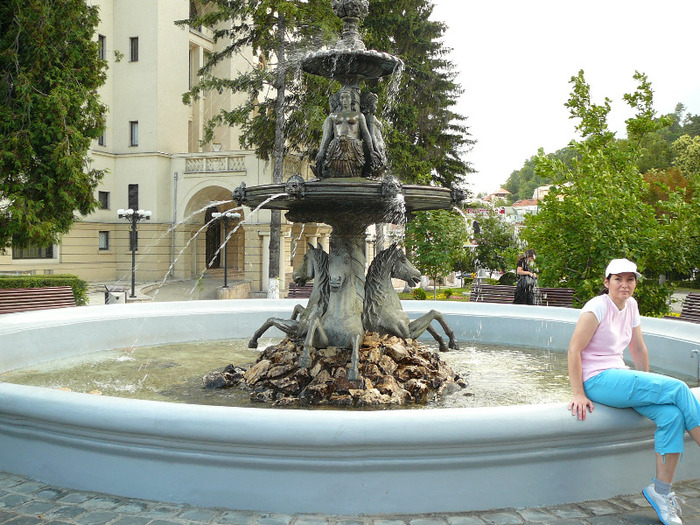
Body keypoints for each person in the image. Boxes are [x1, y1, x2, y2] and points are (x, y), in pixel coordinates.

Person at [568, 258, 700, 525]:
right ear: (607, 283)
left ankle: (660, 493)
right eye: (618, 279)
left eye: (630, 279)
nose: (624, 285)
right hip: (597, 379)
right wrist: (578, 394)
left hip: (621, 376)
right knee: (678, 388)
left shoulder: (631, 306)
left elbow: (638, 349)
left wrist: (649, 387)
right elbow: (574, 350)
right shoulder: (596, 308)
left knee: (672, 415)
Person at [315, 87, 375, 179]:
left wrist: (371, 151)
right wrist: (322, 150)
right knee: (335, 173)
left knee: (355, 172)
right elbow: (326, 136)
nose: (344, 100)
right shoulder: (332, 116)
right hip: (336, 147)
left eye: (347, 97)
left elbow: (366, 134)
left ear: (352, 100)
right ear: (339, 100)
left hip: (354, 147)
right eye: (342, 98)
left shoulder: (359, 115)